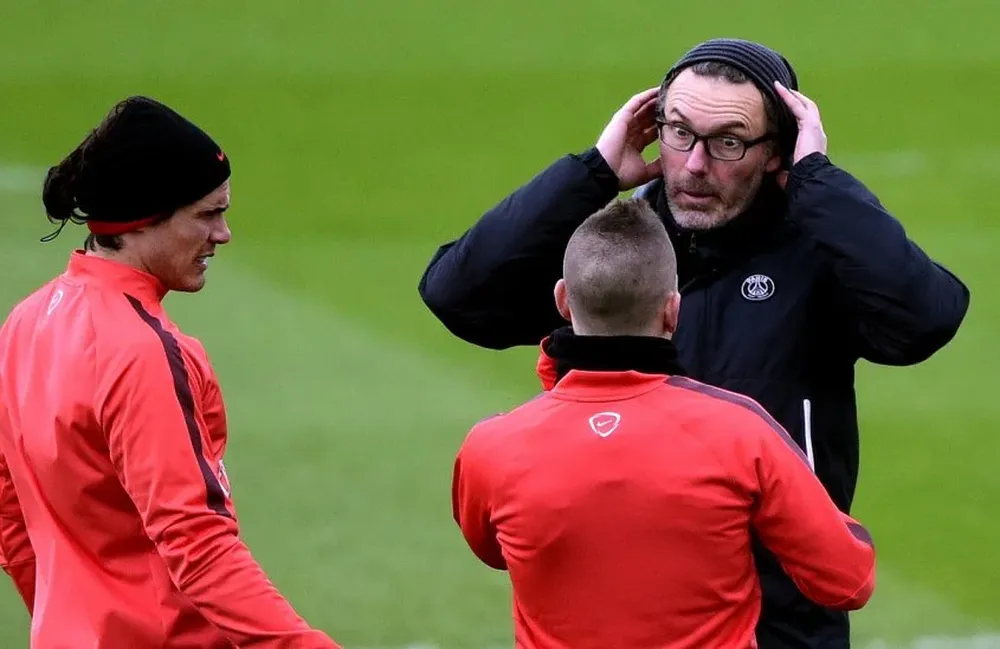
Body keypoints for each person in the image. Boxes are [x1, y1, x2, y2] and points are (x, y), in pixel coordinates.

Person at [421, 38, 969, 648]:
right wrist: (591, 174)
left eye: (728, 141)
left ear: (775, 152)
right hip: (627, 616)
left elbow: (926, 320)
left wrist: (818, 183)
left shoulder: (818, 252)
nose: (695, 165)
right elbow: (457, 297)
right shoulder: (622, 252)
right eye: (677, 131)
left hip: (785, 617)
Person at [452, 197, 877, 649]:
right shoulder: (742, 434)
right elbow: (847, 580)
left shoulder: (491, 448)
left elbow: (495, 551)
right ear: (674, 310)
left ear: (562, 300)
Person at [0, 96, 340, 648]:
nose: (224, 233)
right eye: (207, 214)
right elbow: (197, 540)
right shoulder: (143, 351)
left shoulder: (26, 321)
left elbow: (10, 513)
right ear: (143, 217)